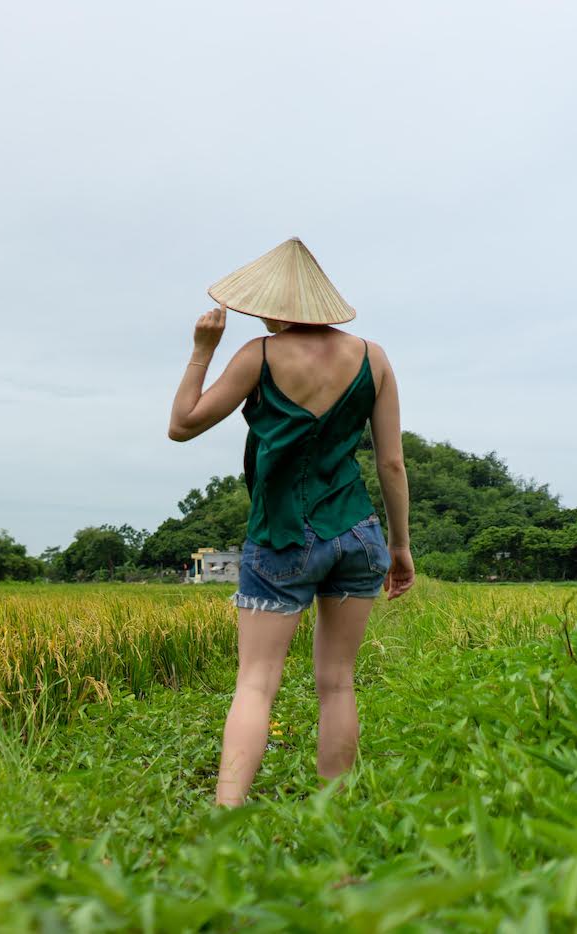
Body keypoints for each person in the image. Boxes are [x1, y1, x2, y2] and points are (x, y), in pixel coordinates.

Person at [166, 238, 414, 807]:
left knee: (255, 684)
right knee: (337, 683)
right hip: (358, 533)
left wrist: (202, 349)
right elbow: (391, 463)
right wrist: (400, 547)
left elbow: (182, 425)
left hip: (281, 538)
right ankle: (333, 817)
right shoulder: (374, 357)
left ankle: (225, 820)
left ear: (278, 305)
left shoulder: (259, 355)